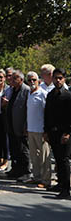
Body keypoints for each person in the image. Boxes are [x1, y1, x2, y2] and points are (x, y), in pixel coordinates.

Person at [44, 68, 71, 199]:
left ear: (64, 79)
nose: (58, 80)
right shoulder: (50, 95)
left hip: (64, 134)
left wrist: (68, 133)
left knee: (64, 160)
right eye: (56, 78)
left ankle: (66, 189)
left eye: (60, 78)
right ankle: (60, 184)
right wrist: (46, 131)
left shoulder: (68, 96)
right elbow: (47, 114)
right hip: (52, 132)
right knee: (58, 161)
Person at [25, 71, 50, 188]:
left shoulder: (43, 94)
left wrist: (46, 130)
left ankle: (46, 180)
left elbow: (47, 113)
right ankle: (36, 177)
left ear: (38, 81)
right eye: (29, 80)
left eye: (34, 80)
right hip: (31, 129)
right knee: (34, 156)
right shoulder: (29, 93)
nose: (31, 82)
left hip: (41, 130)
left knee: (45, 156)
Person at [6, 70, 30, 180]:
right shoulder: (12, 90)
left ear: (21, 79)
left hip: (21, 125)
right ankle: (16, 169)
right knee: (14, 148)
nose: (12, 80)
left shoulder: (26, 90)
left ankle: (25, 171)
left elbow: (27, 109)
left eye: (15, 78)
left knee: (23, 149)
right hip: (11, 124)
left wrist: (26, 125)